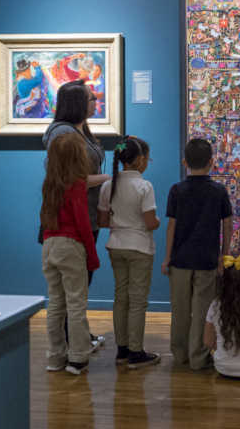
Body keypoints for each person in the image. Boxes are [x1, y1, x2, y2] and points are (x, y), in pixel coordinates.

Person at [43, 79, 109, 351]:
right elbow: (71, 178)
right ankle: (73, 346)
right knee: (72, 290)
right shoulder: (62, 134)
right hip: (73, 218)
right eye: (91, 99)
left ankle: (76, 339)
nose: (95, 102)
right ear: (77, 103)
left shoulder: (80, 130)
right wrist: (104, 178)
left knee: (78, 287)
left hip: (88, 213)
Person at [161, 138, 233, 371]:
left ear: (185, 162)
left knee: (179, 310)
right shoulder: (218, 191)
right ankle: (199, 357)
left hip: (180, 260)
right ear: (212, 162)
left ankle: (179, 354)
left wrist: (167, 258)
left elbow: (171, 225)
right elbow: (228, 224)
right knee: (203, 310)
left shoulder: (176, 190)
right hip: (207, 259)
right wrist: (224, 255)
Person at [97, 135, 161, 369]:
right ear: (140, 159)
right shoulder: (144, 186)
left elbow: (103, 221)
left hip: (115, 245)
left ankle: (122, 349)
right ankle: (136, 352)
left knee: (120, 298)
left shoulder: (108, 185)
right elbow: (149, 222)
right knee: (137, 301)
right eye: (147, 158)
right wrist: (158, 222)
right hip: (140, 247)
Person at [40, 132, 101, 375]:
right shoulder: (76, 185)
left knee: (55, 303)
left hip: (49, 244)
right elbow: (83, 223)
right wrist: (92, 254)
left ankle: (55, 356)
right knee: (76, 304)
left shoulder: (50, 183)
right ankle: (78, 357)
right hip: (71, 246)